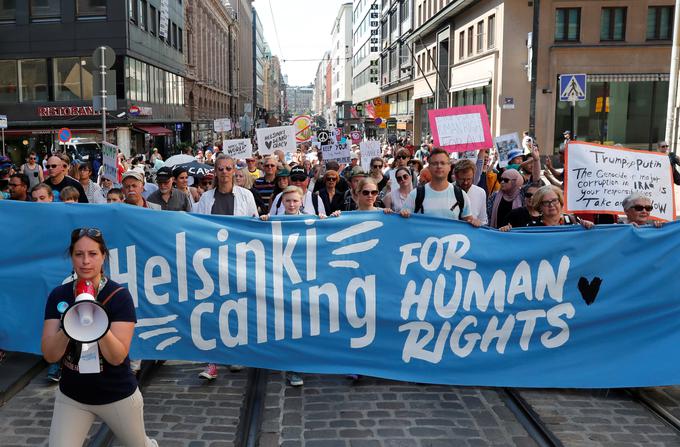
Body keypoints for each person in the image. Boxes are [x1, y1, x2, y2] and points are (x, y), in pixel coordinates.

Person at [41, 228, 158, 446]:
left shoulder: (119, 296)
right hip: (73, 397)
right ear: (72, 257)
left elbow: (116, 357)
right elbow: (49, 354)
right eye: (79, 254)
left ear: (104, 256)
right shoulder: (59, 295)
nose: (86, 261)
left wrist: (96, 321)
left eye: (93, 254)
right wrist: (70, 323)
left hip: (117, 395)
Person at [194, 155, 257, 379]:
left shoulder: (246, 196)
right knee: (213, 309)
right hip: (212, 262)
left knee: (236, 307)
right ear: (215, 171)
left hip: (238, 260)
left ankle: (236, 353)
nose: (224, 172)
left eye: (228, 168)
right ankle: (212, 361)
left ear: (233, 170)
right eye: (220, 169)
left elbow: (253, 227)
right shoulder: (206, 199)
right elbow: (197, 227)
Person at [400, 148, 477, 226]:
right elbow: (402, 222)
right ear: (429, 167)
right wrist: (390, 213)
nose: (439, 166)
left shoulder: (461, 195)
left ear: (449, 167)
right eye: (435, 163)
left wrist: (475, 223)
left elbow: (469, 225)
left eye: (443, 163)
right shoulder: (415, 195)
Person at [528, 185, 593, 228]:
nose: (551, 205)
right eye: (546, 202)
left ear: (560, 202)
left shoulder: (573, 220)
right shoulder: (533, 227)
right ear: (539, 206)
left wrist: (588, 226)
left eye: (554, 200)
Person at [453, 159, 487, 226]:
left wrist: (479, 223)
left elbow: (483, 220)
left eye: (469, 179)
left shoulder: (481, 192)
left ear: (474, 176)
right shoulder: (447, 190)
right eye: (462, 179)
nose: (465, 183)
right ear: (456, 177)